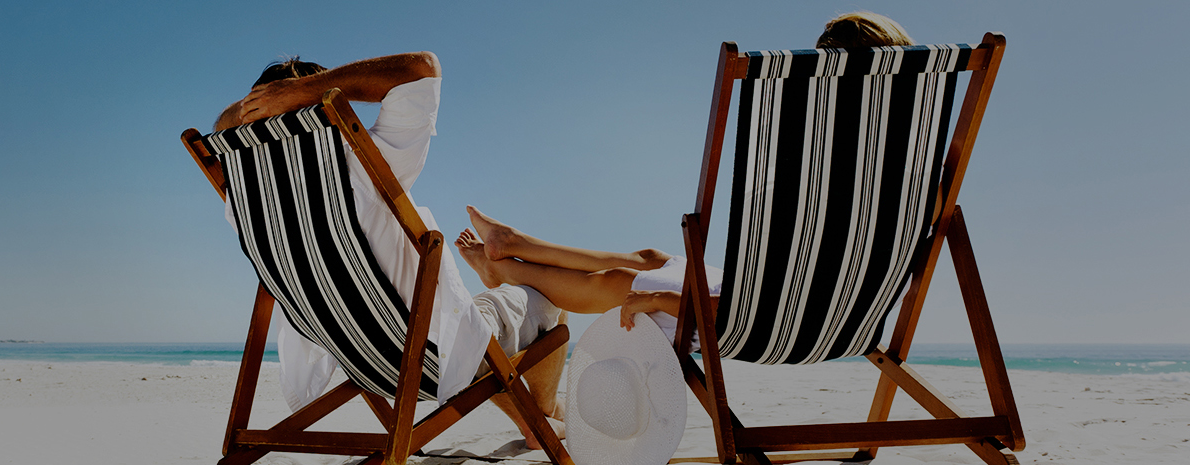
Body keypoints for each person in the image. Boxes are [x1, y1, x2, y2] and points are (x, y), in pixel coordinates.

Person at [454, 11, 918, 342]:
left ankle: (503, 267)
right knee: (652, 259)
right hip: (813, 311)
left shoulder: (816, 163)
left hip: (764, 318)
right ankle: (512, 245)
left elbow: (771, 300)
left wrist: (660, 303)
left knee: (624, 282)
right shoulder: (914, 166)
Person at [212, 52, 570, 449]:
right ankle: (543, 418)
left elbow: (219, 128)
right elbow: (423, 69)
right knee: (549, 293)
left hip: (361, 363)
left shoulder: (243, 202)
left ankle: (532, 419)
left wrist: (264, 103)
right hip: (432, 356)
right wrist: (301, 91)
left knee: (472, 337)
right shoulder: (366, 165)